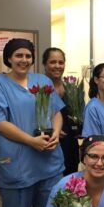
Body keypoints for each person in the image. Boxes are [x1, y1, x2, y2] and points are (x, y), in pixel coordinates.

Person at [0, 39, 64, 207]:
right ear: (9, 58)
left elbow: (56, 112)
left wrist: (56, 132)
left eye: (28, 56)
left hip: (49, 161)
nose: (24, 60)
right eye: (18, 55)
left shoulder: (42, 81)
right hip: (18, 163)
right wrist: (31, 141)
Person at [43, 47, 80, 175]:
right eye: (52, 62)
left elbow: (78, 114)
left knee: (70, 180)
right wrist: (52, 129)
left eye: (61, 62)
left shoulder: (71, 88)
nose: (57, 66)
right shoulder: (39, 89)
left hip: (70, 143)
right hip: (49, 142)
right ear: (45, 64)